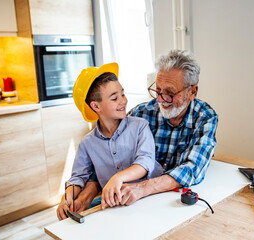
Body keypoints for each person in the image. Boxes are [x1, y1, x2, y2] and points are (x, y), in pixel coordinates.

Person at [57, 50, 218, 219]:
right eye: (158, 90)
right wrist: (82, 198)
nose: (161, 99)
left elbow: (193, 168)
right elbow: (102, 165)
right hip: (135, 204)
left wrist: (142, 187)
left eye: (170, 93)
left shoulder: (205, 117)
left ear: (192, 92)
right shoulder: (141, 113)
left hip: (176, 202)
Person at [56, 63, 163, 220]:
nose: (123, 101)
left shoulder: (140, 126)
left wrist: (117, 177)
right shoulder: (87, 143)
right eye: (114, 98)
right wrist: (65, 199)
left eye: (123, 94)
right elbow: (77, 178)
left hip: (150, 198)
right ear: (96, 106)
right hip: (118, 205)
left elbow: (145, 162)